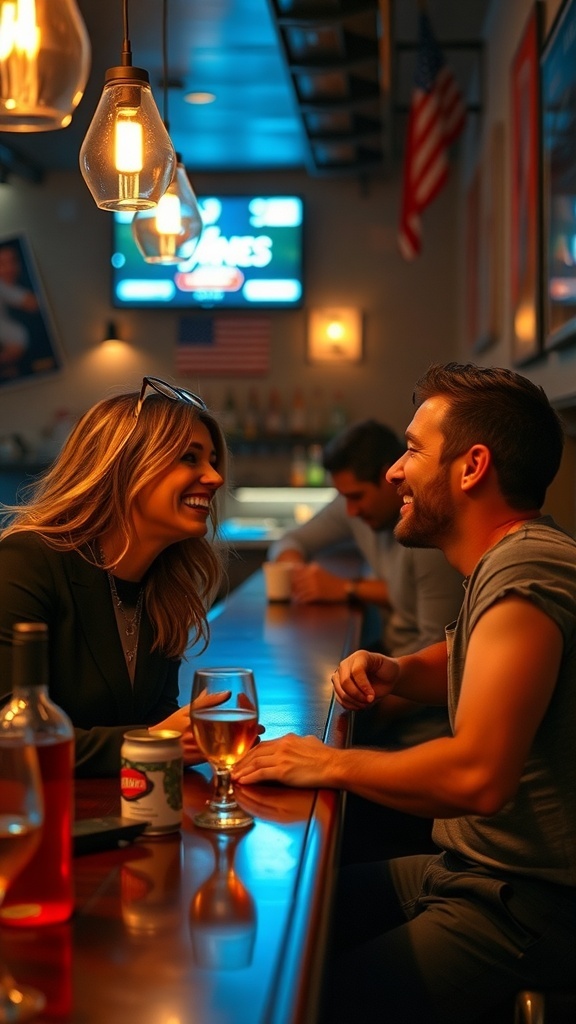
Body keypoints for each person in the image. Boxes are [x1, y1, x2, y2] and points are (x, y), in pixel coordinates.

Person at [233, 362, 576, 1023]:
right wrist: (399, 669)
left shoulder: (525, 571)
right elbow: (467, 655)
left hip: (530, 907)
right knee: (286, 908)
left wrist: (327, 762)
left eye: (414, 450)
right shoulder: (510, 558)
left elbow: (479, 776)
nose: (394, 471)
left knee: (296, 1004)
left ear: (472, 467)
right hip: (470, 870)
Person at [0, 376, 228, 777]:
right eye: (190, 458)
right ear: (125, 466)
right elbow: (10, 737)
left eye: (212, 460)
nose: (214, 477)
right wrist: (153, 742)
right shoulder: (25, 562)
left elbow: (157, 716)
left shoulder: (165, 584)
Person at [270, 418, 465, 749]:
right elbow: (289, 541)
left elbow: (447, 667)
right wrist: (294, 572)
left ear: (390, 476)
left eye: (357, 496)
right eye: (343, 497)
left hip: (423, 727)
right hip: (392, 678)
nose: (350, 510)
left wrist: (358, 718)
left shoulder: (426, 535)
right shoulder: (355, 508)